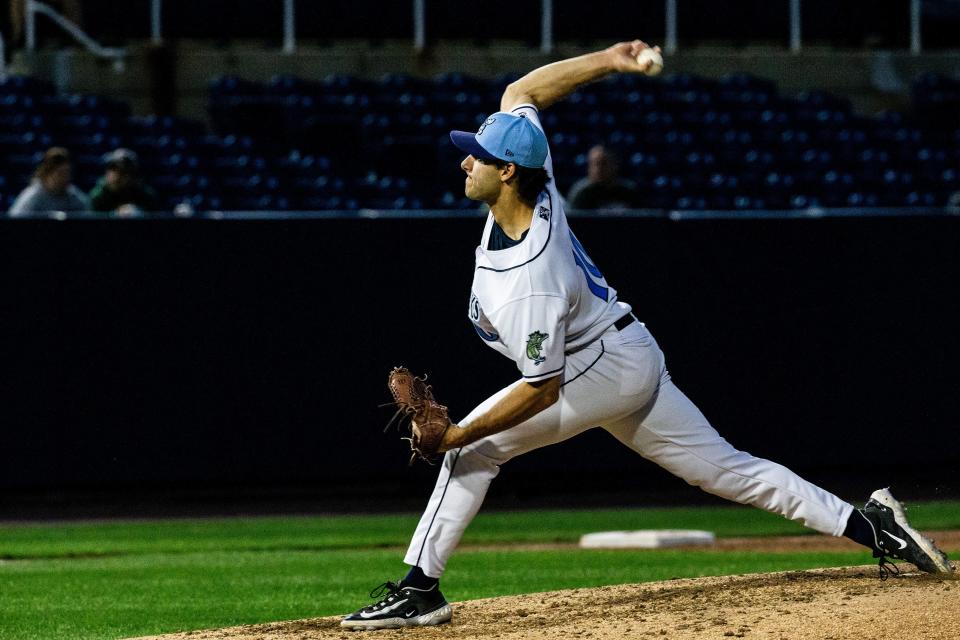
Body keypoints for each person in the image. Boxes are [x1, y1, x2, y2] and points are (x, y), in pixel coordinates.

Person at [341, 40, 952, 631]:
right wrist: (610, 59)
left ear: (506, 171)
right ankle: (874, 526)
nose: (464, 160)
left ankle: (420, 590)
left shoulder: (533, 277)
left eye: (476, 154)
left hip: (595, 368)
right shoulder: (537, 178)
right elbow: (522, 90)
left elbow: (543, 388)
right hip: (625, 354)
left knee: (473, 453)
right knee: (726, 470)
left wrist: (458, 432)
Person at [8, 146, 90, 216]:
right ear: (46, 173)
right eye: (60, 173)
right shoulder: (32, 197)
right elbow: (15, 224)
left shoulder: (74, 197)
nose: (65, 178)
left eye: (67, 173)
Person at [565, 144, 640, 210]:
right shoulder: (582, 193)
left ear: (614, 165)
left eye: (603, 164)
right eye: (594, 164)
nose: (598, 169)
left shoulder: (628, 191)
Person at [88, 148, 161, 214]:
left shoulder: (145, 195)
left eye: (122, 171)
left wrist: (138, 212)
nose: (114, 175)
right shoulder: (98, 195)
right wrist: (114, 214)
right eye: (112, 168)